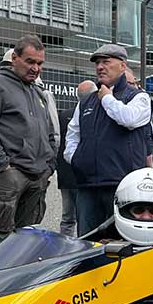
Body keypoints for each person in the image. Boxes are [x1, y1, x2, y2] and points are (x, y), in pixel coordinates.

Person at [65, 44, 152, 235]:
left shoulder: (139, 98)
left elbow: (128, 119)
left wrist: (107, 99)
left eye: (106, 62)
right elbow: (73, 133)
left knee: (120, 242)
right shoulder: (87, 101)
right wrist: (77, 159)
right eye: (97, 63)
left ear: (122, 66)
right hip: (88, 186)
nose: (100, 67)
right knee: (86, 244)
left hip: (122, 187)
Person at [0, 35, 56, 242]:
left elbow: (49, 132)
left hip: (38, 176)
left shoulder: (38, 92)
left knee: (27, 241)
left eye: (40, 63)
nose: (35, 68)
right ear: (15, 58)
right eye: (30, 61)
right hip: (8, 176)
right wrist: (3, 166)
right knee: (1, 241)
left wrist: (49, 166)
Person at [58, 80, 96, 237]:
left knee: (67, 217)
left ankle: (63, 247)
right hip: (84, 176)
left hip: (65, 175)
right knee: (85, 216)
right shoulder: (94, 115)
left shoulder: (64, 115)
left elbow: (56, 142)